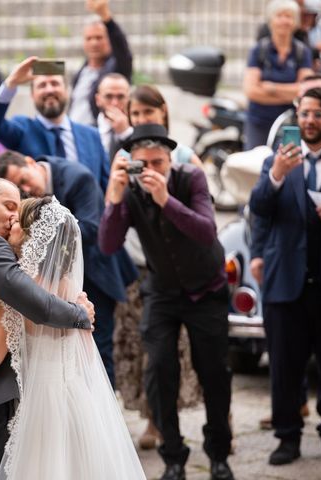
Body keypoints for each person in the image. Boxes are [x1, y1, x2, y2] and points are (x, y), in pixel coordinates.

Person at [0, 195, 145, 480]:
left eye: (16, 217)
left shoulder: (16, 293)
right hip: (74, 400)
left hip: (37, 406)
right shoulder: (70, 288)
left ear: (31, 234)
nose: (11, 222)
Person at [99, 124, 234, 480]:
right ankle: (173, 457)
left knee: (215, 372)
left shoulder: (192, 179)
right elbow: (108, 245)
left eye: (158, 163)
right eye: (143, 164)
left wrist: (166, 201)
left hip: (207, 290)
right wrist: (112, 199)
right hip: (161, 291)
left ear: (170, 160)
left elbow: (206, 231)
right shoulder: (128, 191)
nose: (152, 171)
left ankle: (219, 454)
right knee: (159, 369)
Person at [249, 87, 321, 466]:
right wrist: (276, 176)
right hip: (286, 280)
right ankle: (287, 438)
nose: (309, 121)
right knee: (284, 366)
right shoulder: (278, 159)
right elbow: (258, 209)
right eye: (304, 113)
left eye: (318, 114)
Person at [0, 151, 137, 386]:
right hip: (46, 274)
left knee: (97, 345)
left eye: (24, 179)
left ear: (30, 162)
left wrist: (51, 233)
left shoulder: (78, 177)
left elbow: (91, 228)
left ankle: (98, 399)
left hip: (96, 272)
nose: (26, 188)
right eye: (19, 187)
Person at [0, 57, 109, 190]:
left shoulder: (92, 135)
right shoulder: (22, 129)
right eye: (42, 85)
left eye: (55, 83)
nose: (49, 90)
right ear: (32, 94)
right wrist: (11, 84)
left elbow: (105, 185)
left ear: (67, 91)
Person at [243, 0, 314, 150]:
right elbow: (251, 91)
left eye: (289, 16)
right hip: (259, 121)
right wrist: (291, 92)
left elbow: (305, 90)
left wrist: (272, 88)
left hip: (290, 122)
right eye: (279, 16)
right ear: (271, 21)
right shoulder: (258, 50)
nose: (284, 20)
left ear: (295, 22)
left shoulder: (302, 52)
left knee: (288, 165)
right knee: (254, 166)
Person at [70, 0, 133, 126]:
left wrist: (106, 17)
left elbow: (122, 51)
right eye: (89, 38)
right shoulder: (82, 71)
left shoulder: (116, 68)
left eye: (99, 38)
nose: (94, 43)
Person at [95, 72, 131, 161]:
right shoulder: (87, 131)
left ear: (129, 99)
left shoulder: (138, 130)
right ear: (98, 99)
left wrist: (125, 133)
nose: (115, 103)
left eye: (120, 97)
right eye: (109, 96)